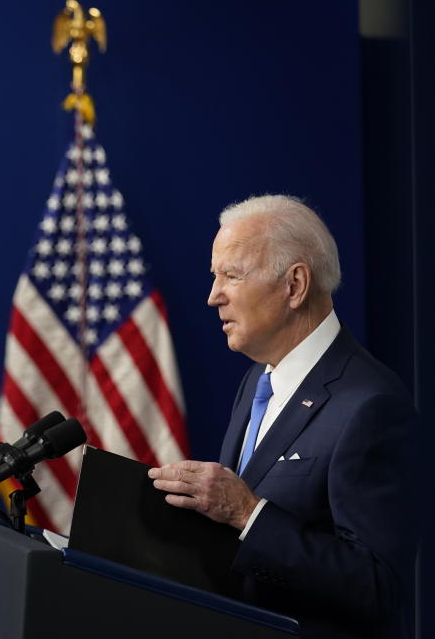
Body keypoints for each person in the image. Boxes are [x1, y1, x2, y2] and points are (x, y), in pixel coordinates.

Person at [148, 195, 416, 638]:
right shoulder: (257, 380)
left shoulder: (372, 404)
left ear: (294, 285)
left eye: (230, 276)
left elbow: (379, 585)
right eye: (215, 277)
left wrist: (248, 513)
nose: (213, 296)